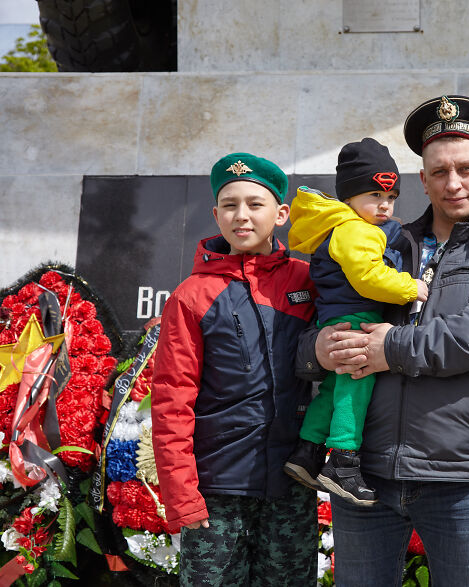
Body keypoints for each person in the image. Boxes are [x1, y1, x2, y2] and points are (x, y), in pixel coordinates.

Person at [297, 95, 469, 587]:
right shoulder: (378, 242)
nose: (453, 183)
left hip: (462, 479)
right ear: (422, 179)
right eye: (439, 172)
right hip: (362, 475)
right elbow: (316, 317)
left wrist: (391, 349)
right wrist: (317, 350)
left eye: (465, 168)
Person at [151, 153, 318, 586]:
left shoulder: (308, 280)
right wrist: (182, 494)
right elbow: (172, 399)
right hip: (215, 491)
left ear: (281, 213)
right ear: (215, 214)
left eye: (255, 204)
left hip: (290, 484)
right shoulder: (191, 296)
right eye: (229, 205)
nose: (241, 216)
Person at [283, 137, 428, 506]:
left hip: (336, 317)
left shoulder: (342, 227)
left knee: (333, 390)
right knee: (355, 390)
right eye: (374, 196)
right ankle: (343, 464)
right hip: (357, 319)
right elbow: (369, 277)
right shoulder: (357, 230)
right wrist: (409, 287)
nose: (384, 206)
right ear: (349, 198)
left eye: (391, 197)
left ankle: (308, 453)